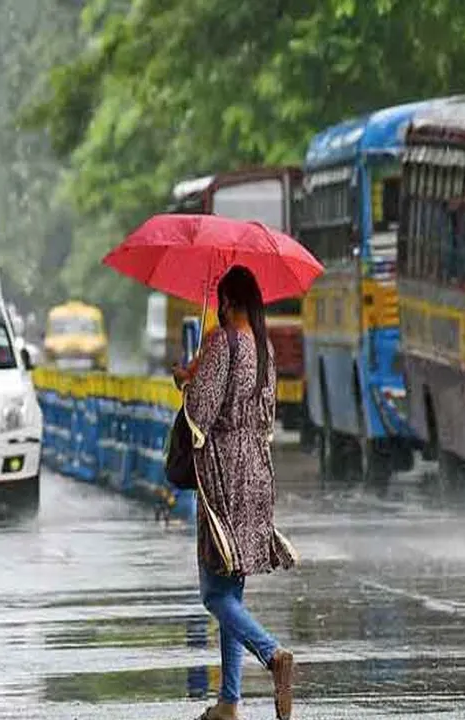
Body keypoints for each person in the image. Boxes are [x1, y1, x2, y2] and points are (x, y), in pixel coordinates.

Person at [174, 265, 298, 720]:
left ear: (225, 302)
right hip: (257, 473)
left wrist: (186, 379)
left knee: (214, 594)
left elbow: (200, 414)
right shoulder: (263, 347)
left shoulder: (223, 344)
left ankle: (272, 654)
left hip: (223, 474)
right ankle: (229, 701)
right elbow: (266, 412)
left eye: (220, 303)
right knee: (232, 590)